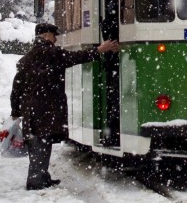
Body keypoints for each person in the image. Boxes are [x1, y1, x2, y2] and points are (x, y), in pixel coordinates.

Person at [10, 23, 119, 190]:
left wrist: (16, 110)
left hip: (33, 109)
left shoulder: (28, 57)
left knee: (39, 143)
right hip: (45, 109)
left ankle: (41, 176)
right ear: (46, 35)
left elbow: (17, 86)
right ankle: (36, 181)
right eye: (54, 35)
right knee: (41, 144)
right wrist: (99, 50)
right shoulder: (50, 53)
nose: (55, 39)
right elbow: (75, 57)